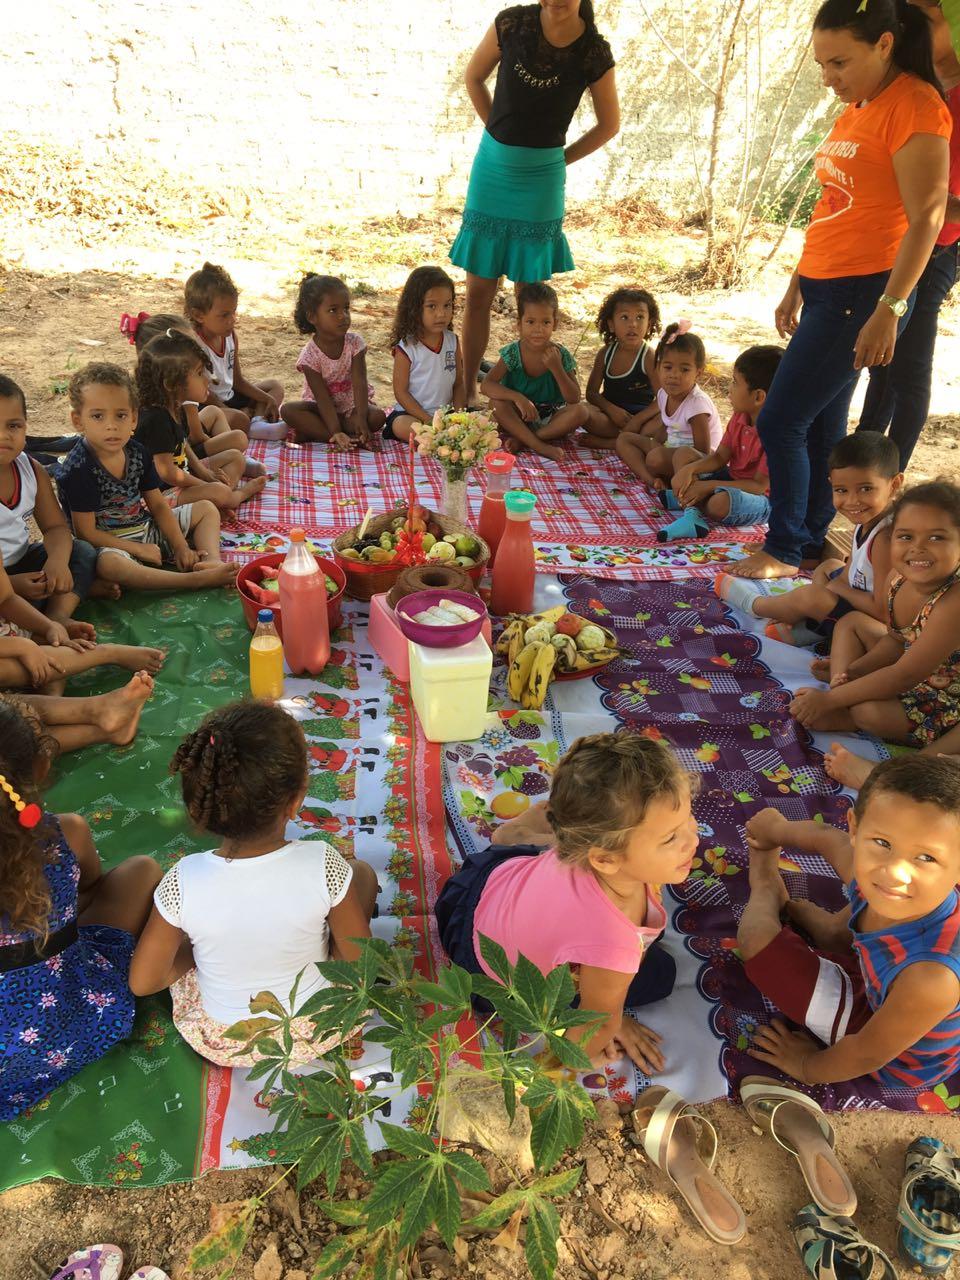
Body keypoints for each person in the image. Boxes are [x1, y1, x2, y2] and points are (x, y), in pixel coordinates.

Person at [731, 0, 951, 581]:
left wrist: (891, 308)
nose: (828, 77)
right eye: (821, 64)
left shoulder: (917, 107)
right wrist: (795, 283)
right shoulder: (860, 104)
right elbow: (833, 204)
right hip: (827, 286)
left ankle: (781, 547)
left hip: (866, 291)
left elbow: (926, 217)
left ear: (883, 44)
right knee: (824, 419)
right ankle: (806, 542)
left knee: (780, 420)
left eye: (839, 62)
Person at [129, 702, 379, 1067]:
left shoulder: (182, 881)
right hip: (317, 1024)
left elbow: (142, 982)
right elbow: (361, 964)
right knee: (362, 874)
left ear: (200, 808)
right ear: (295, 801)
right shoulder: (323, 862)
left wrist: (197, 956)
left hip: (228, 1040)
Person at [435, 732, 699, 1074]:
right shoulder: (613, 942)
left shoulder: (585, 849)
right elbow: (597, 1025)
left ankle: (516, 835)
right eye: (670, 837)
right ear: (605, 859)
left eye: (688, 819)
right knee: (661, 975)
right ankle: (520, 835)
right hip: (487, 974)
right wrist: (577, 1055)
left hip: (485, 883)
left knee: (580, 836)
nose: (693, 839)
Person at [740, 755, 960, 1091]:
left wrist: (806, 1066)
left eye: (926, 857)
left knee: (756, 939)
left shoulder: (932, 978)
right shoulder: (880, 877)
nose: (894, 872)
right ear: (856, 827)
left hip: (891, 1049)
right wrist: (775, 830)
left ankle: (768, 886)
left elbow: (865, 1054)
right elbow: (827, 838)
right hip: (881, 977)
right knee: (857, 909)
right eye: (883, 843)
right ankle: (831, 931)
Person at [0, 697, 161, 1121]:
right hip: (68, 1022)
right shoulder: (62, 833)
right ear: (39, 768)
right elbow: (92, 885)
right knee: (141, 870)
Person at [451, 1, 619, 393]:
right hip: (492, 170)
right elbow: (473, 78)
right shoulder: (512, 23)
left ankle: (527, 392)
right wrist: (498, 136)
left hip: (542, 181)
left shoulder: (594, 51)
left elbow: (609, 124)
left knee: (531, 299)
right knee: (478, 291)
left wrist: (560, 161)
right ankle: (467, 389)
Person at [857, 0, 960, 470]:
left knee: (909, 368)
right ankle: (865, 457)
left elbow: (932, 206)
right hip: (887, 243)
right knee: (883, 360)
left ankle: (888, 472)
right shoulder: (903, 93)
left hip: (936, 248)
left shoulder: (943, 96)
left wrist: (927, 209)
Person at [789, 480, 960, 742]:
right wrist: (855, 673)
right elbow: (895, 640)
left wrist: (829, 699)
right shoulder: (897, 579)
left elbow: (904, 675)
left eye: (936, 537)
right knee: (851, 622)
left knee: (868, 711)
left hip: (946, 692)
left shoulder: (954, 601)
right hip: (907, 667)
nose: (918, 547)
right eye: (906, 536)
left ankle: (845, 712)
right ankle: (842, 690)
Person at [58, 363, 236, 593]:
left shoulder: (137, 452)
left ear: (134, 418)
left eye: (121, 415)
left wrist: (180, 547)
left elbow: (158, 505)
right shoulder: (79, 468)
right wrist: (138, 550)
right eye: (98, 416)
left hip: (145, 529)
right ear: (78, 421)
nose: (111, 426)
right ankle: (190, 581)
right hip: (110, 545)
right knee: (109, 565)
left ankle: (210, 560)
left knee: (206, 509)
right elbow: (87, 533)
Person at [716, 431, 902, 649]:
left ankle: (756, 605)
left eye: (866, 489)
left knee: (812, 596)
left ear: (895, 484)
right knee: (829, 566)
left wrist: (833, 590)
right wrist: (836, 586)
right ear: (831, 483)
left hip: (875, 631)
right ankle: (811, 629)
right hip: (859, 606)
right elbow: (847, 574)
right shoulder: (866, 520)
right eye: (841, 490)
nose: (852, 501)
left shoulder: (885, 538)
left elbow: (882, 611)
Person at [0, 374, 111, 624]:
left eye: (13, 425)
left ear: (26, 427)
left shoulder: (32, 469)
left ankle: (57, 615)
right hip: (5, 584)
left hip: (23, 563)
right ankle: (65, 595)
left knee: (81, 551)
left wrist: (57, 563)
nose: (4, 435)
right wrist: (11, 586)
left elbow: (55, 528)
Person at [655, 344, 783, 541]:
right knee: (683, 455)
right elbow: (720, 457)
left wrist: (708, 486)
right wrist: (690, 470)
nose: (729, 389)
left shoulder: (775, 433)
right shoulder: (740, 416)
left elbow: (758, 486)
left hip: (759, 498)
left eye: (735, 382)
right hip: (730, 477)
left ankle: (690, 500)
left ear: (758, 396)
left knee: (719, 504)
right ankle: (693, 509)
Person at [135, 331, 267, 512]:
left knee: (236, 458)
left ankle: (220, 499)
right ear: (172, 384)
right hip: (158, 496)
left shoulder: (175, 406)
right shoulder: (156, 419)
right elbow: (167, 473)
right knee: (217, 490)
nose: (208, 379)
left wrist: (204, 472)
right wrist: (202, 484)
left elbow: (182, 444)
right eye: (199, 373)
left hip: (183, 476)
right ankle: (237, 497)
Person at [480, 281, 588, 461]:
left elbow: (574, 398)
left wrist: (557, 368)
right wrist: (518, 398)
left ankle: (525, 440)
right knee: (496, 403)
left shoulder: (560, 354)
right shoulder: (513, 353)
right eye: (530, 322)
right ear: (519, 324)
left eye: (545, 322)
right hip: (519, 416)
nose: (538, 329)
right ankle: (539, 446)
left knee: (581, 412)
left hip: (551, 419)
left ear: (555, 324)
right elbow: (486, 385)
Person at [280, 274, 385, 449]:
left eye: (346, 308)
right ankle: (339, 436)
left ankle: (320, 433)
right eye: (333, 310)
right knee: (287, 411)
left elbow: (360, 383)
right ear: (313, 317)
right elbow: (322, 398)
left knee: (378, 417)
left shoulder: (355, 344)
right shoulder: (309, 357)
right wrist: (336, 429)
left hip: (350, 407)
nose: (343, 316)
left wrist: (360, 418)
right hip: (320, 409)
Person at [614, 323, 722, 489]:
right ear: (657, 368)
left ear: (698, 373)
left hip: (697, 462)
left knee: (654, 458)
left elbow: (703, 452)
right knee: (624, 439)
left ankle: (679, 483)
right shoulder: (664, 394)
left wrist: (659, 454)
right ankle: (653, 481)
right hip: (671, 448)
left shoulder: (697, 405)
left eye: (685, 369)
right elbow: (667, 426)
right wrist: (654, 443)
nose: (674, 375)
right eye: (668, 367)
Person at [184, 261, 285, 432]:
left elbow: (238, 381)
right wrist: (229, 411)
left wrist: (268, 399)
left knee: (274, 387)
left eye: (234, 312)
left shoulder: (230, 336)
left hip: (231, 396)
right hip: (208, 405)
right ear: (199, 315)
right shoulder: (193, 345)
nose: (232, 320)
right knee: (236, 418)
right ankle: (251, 423)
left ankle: (257, 422)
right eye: (224, 315)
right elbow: (204, 395)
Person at [384, 267, 467, 444]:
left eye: (447, 305)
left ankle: (441, 438)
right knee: (404, 426)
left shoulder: (453, 341)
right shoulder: (407, 348)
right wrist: (428, 421)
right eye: (431, 306)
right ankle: (437, 439)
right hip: (413, 415)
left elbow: (459, 383)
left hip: (445, 415)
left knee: (481, 421)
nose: (441, 313)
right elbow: (401, 392)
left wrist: (460, 416)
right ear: (414, 308)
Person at [583, 286, 661, 447]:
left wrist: (638, 420)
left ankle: (610, 443)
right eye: (624, 317)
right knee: (582, 412)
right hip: (610, 419)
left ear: (649, 323)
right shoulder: (605, 354)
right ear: (611, 324)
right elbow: (591, 393)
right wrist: (611, 409)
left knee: (665, 422)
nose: (633, 324)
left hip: (641, 421)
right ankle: (626, 440)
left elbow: (663, 398)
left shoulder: (648, 356)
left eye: (640, 317)